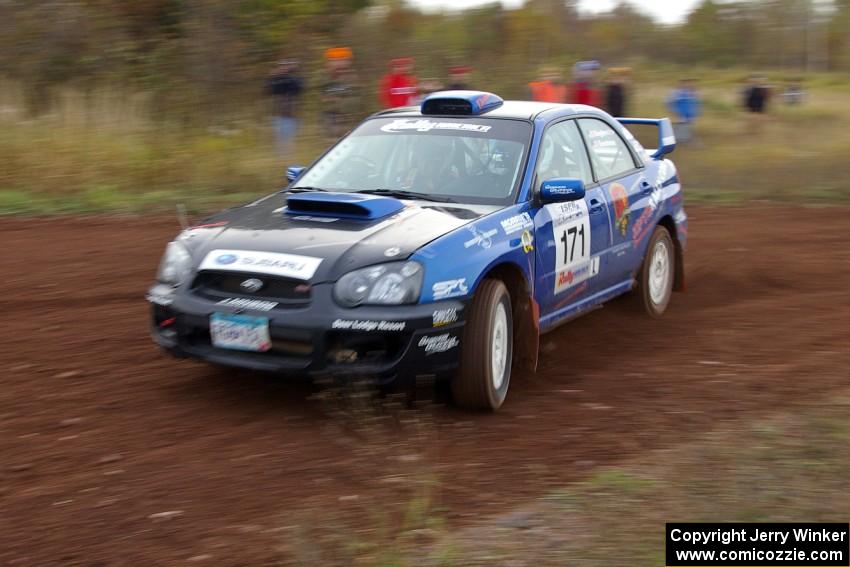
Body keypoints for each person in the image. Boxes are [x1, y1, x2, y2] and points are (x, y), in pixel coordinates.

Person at [321, 47, 360, 139]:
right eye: (334, 61)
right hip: (330, 119)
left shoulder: (352, 78)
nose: (338, 63)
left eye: (341, 60)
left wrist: (339, 101)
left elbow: (356, 100)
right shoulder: (324, 77)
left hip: (347, 119)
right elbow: (319, 99)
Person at [266, 59, 303, 153]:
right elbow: (269, 90)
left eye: (286, 66)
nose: (284, 68)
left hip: (292, 115)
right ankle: (281, 161)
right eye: (282, 66)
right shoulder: (277, 79)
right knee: (279, 143)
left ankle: (288, 159)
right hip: (279, 115)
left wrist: (292, 73)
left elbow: (299, 89)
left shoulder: (295, 79)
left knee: (290, 142)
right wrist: (273, 78)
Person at [666, 79, 700, 145]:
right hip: (680, 113)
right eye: (684, 84)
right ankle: (680, 141)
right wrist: (672, 110)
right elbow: (668, 102)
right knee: (682, 126)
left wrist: (695, 112)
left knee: (688, 127)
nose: (687, 85)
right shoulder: (676, 93)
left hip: (689, 113)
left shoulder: (691, 92)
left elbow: (695, 102)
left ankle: (687, 140)